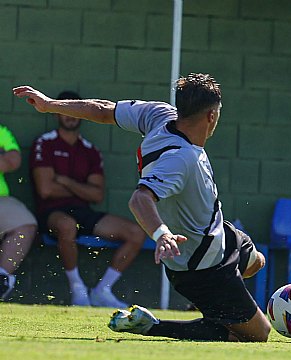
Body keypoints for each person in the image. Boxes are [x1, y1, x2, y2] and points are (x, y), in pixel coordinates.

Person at [14, 73, 270, 342]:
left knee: (256, 261)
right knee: (257, 335)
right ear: (211, 116)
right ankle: (155, 325)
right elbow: (140, 198)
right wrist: (162, 235)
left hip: (221, 234)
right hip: (201, 266)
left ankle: (215, 308)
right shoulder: (181, 159)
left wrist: (49, 104)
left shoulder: (160, 114)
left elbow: (103, 110)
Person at [29, 91, 147, 308]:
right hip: (52, 213)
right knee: (67, 226)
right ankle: (78, 290)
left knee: (137, 232)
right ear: (56, 114)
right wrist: (82, 189)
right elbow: (45, 190)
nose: (69, 116)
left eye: (73, 110)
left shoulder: (90, 150)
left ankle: (103, 291)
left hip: (84, 212)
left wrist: (64, 181)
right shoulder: (44, 143)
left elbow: (97, 195)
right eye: (63, 110)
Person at [0, 124, 37, 300]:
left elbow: (13, 161)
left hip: (0, 199)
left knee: (25, 223)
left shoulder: (1, 131)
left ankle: (1, 279)